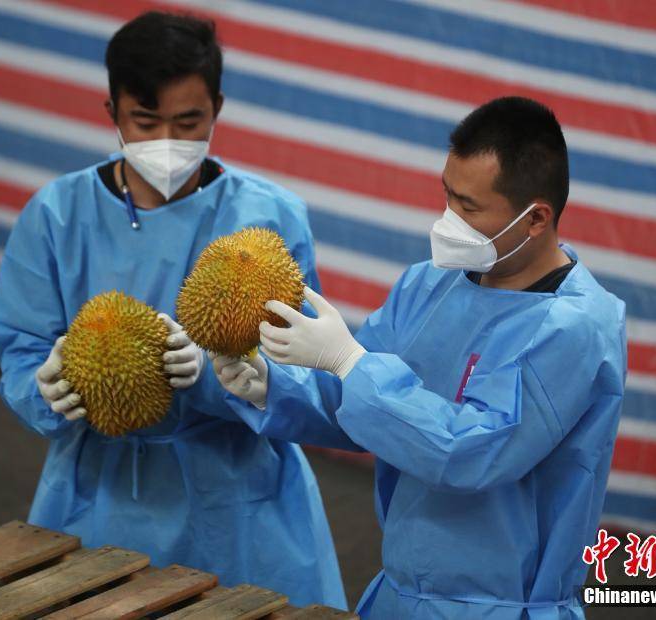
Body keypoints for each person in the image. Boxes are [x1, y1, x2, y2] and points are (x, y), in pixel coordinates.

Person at [212, 96, 627, 618]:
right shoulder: (429, 285)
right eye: (447, 195)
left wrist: (348, 363)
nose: (449, 219)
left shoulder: (574, 328)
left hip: (499, 606)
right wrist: (273, 384)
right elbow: (367, 409)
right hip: (400, 593)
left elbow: (470, 452)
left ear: (535, 218)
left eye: (469, 207)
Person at [0, 11, 345, 609]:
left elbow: (306, 369)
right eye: (145, 122)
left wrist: (223, 375)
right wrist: (40, 388)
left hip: (237, 504)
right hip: (101, 496)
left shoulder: (270, 218)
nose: (167, 143)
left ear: (218, 108)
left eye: (188, 122)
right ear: (112, 113)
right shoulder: (56, 215)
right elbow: (22, 347)